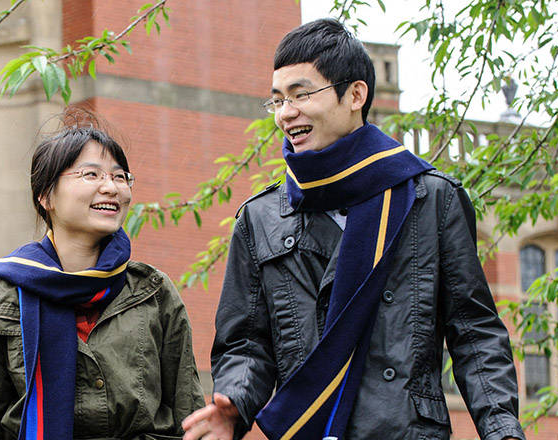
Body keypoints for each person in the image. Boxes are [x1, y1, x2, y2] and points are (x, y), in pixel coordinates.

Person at [182, 19, 525, 440]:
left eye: (302, 94)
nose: (287, 113)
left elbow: (474, 333)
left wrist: (502, 428)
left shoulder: (431, 199)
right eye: (278, 100)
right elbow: (246, 344)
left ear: (355, 95)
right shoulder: (260, 218)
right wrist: (234, 402)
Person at [0, 117, 205, 440]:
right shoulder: (3, 295)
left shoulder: (153, 292)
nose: (111, 187)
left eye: (120, 177)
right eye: (91, 174)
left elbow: (188, 415)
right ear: (46, 196)